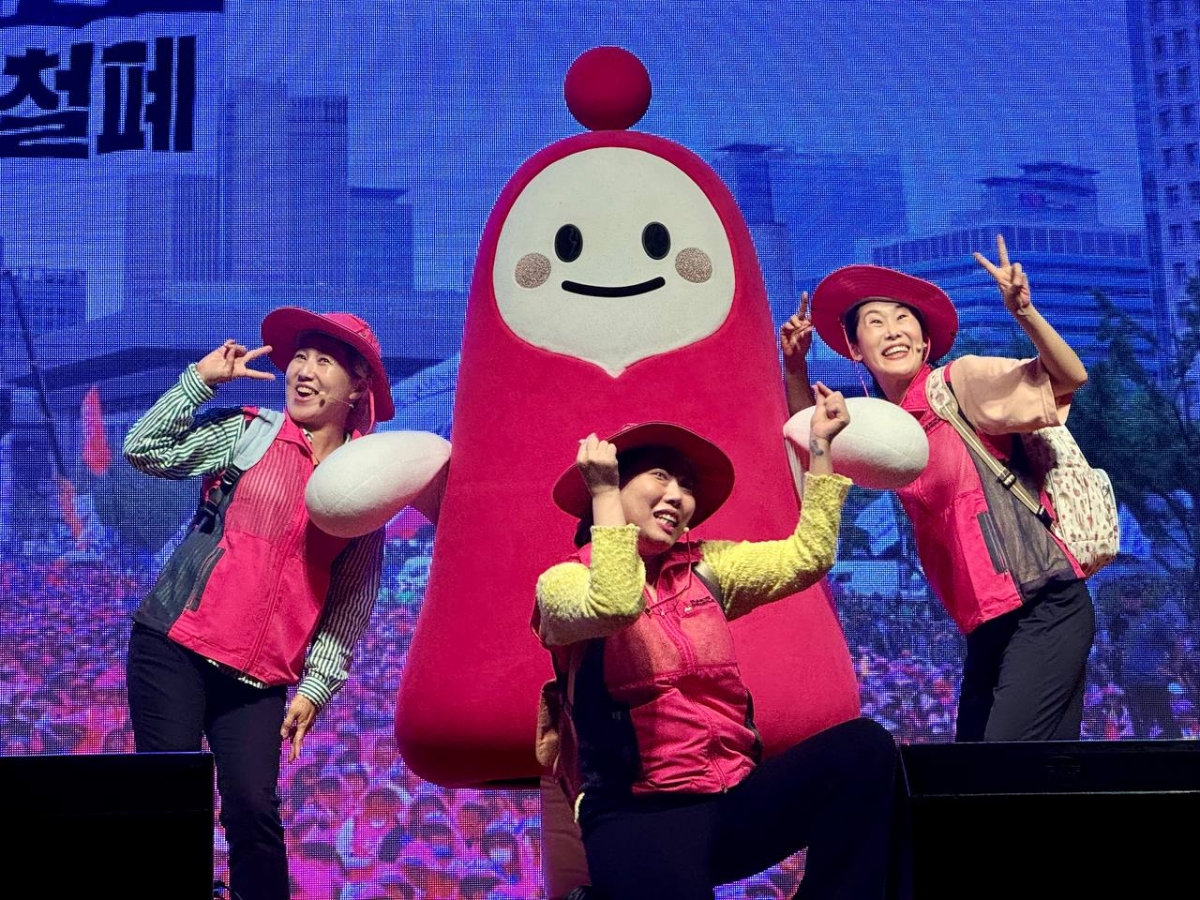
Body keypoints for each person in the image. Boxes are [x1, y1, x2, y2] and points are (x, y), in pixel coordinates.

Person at [533, 405, 911, 900]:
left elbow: (808, 556)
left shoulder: (708, 567)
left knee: (864, 749)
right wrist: (604, 495)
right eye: (661, 476)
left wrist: (821, 446)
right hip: (637, 812)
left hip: (732, 800)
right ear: (613, 484)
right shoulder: (563, 583)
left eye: (687, 485)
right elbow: (614, 604)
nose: (678, 496)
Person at [123, 307, 394, 900]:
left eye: (324, 361)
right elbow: (143, 449)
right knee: (167, 800)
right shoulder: (249, 432)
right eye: (300, 357)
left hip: (259, 678)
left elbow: (350, 602)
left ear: (357, 388)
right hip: (173, 646)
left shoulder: (368, 483)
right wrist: (200, 380)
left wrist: (315, 687)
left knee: (253, 811)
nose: (304, 370)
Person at [786, 233, 1096, 742]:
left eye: (903, 318)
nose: (892, 330)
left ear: (925, 341)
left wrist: (1024, 312)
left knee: (998, 772)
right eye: (875, 322)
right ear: (855, 349)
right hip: (986, 628)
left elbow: (1070, 377)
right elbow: (811, 446)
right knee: (1000, 775)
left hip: (1045, 604)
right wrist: (795, 367)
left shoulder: (958, 384)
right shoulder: (884, 427)